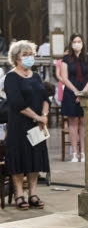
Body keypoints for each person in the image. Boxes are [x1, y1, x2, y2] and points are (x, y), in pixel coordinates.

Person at [4, 40, 50, 210]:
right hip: (19, 125)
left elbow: (46, 97)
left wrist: (43, 116)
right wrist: (37, 116)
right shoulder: (11, 77)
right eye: (25, 55)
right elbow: (16, 103)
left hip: (37, 125)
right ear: (16, 58)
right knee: (19, 159)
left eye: (31, 54)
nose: (29, 57)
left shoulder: (36, 76)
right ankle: (19, 194)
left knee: (35, 159)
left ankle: (33, 193)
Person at [61, 33, 88, 162]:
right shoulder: (66, 59)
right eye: (74, 41)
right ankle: (75, 153)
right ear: (71, 43)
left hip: (85, 91)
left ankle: (83, 152)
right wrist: (76, 92)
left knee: (83, 122)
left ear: (83, 43)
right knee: (73, 122)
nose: (77, 44)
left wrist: (83, 93)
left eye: (79, 41)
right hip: (71, 92)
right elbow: (64, 77)